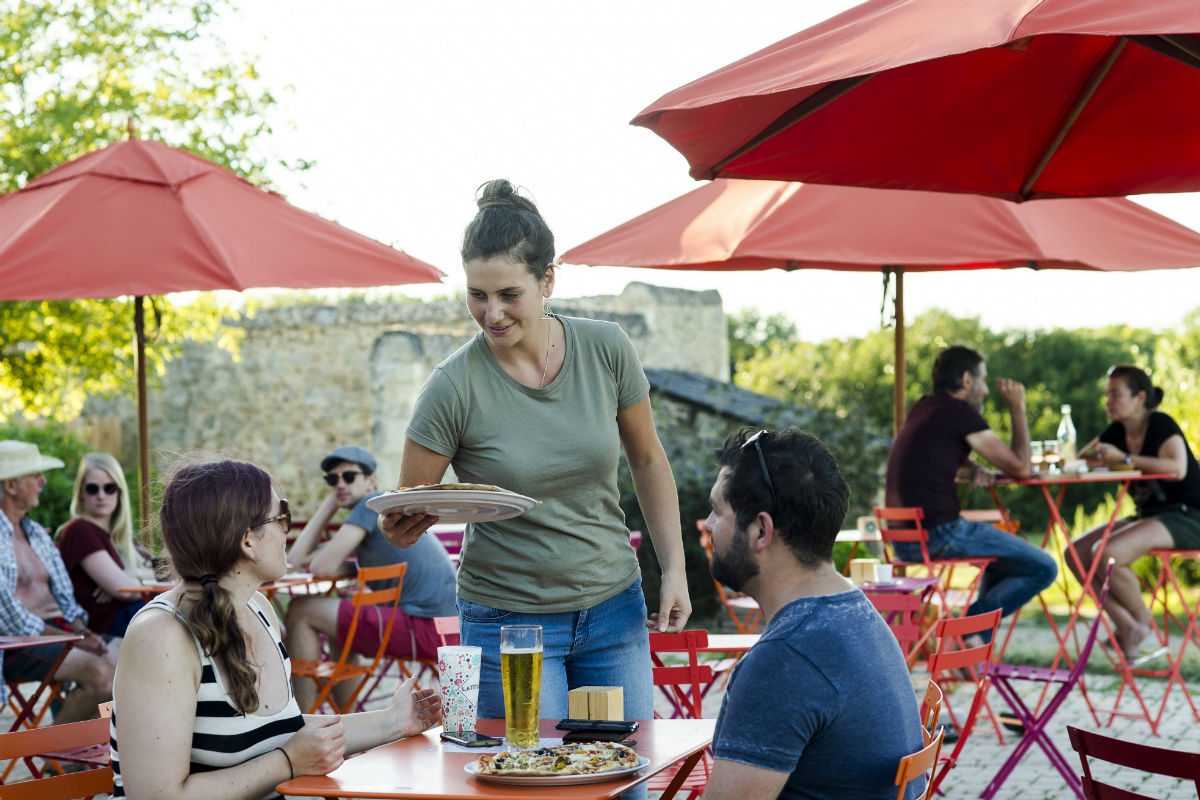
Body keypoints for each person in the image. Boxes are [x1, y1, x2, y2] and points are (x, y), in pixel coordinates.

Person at [381, 179, 691, 728]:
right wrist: (403, 524)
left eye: (508, 295)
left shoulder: (607, 348)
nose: (492, 313)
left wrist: (674, 569)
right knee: (532, 783)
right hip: (508, 620)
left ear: (547, 280)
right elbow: (408, 507)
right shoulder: (451, 387)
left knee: (627, 782)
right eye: (477, 294)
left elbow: (647, 462)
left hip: (613, 608)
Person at [111, 457, 441, 800]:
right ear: (247, 541)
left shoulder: (259, 610)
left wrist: (396, 720)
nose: (288, 528)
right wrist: (287, 762)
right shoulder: (162, 637)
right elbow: (156, 796)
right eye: (281, 515)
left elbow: (283, 731)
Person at [701, 428, 924, 800]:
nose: (708, 525)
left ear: (760, 530)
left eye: (717, 510)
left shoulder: (786, 660)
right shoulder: (857, 614)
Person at [885, 345, 1057, 636]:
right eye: (983, 380)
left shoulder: (926, 407)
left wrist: (972, 470)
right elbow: (1021, 468)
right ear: (967, 380)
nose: (987, 390)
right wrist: (1018, 408)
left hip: (903, 539)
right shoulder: (958, 413)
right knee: (1044, 567)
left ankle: (973, 653)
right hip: (940, 534)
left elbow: (933, 459)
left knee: (1001, 563)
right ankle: (961, 633)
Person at [285, 445, 456, 712]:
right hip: (447, 630)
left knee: (301, 609)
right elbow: (296, 562)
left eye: (349, 477)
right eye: (333, 480)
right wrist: (332, 502)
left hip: (424, 630)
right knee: (340, 622)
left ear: (370, 481)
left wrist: (329, 505)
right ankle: (347, 722)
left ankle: (302, 720)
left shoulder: (370, 507)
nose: (340, 484)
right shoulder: (377, 512)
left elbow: (319, 567)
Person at [1067, 365, 1200, 659]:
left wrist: (1123, 459)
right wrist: (1095, 457)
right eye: (1107, 395)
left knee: (1106, 552)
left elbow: (1177, 469)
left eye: (1115, 394)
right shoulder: (1117, 431)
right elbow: (1080, 460)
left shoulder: (1161, 424)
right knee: (1075, 553)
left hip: (1189, 514)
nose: (1108, 402)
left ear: (1140, 397)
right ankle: (1127, 625)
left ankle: (1142, 621)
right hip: (1151, 515)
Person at [0, 440, 118, 724]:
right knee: (101, 673)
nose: (42, 481)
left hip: (60, 633)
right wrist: (73, 639)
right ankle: (62, 760)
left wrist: (80, 629)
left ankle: (93, 750)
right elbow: (10, 616)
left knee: (137, 657)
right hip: (17, 644)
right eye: (34, 476)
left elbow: (65, 595)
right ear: (11, 486)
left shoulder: (36, 533)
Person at [56, 452, 151, 638]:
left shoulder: (120, 536)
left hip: (132, 617)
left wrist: (133, 574)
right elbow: (124, 591)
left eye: (109, 488)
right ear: (81, 493)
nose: (101, 495)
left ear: (119, 491)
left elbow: (162, 570)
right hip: (110, 625)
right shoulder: (80, 530)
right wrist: (131, 580)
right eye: (93, 489)